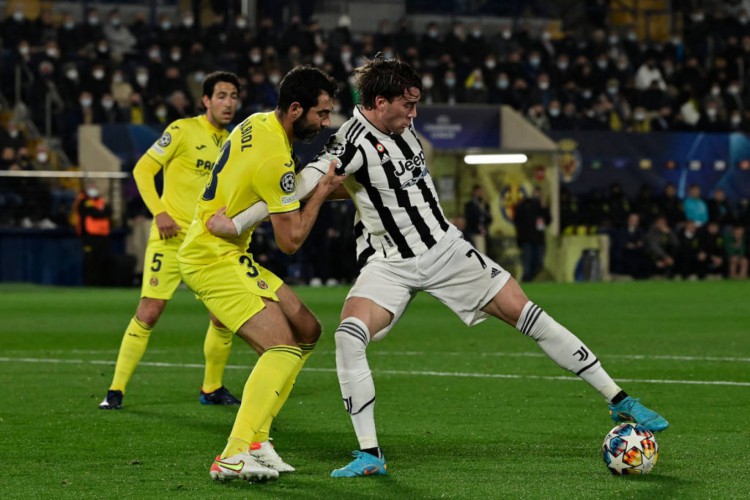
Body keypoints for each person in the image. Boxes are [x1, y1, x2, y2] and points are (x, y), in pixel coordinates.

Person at [208, 56, 670, 479]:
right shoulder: (349, 142)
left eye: (416, 105)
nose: (414, 114)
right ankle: (370, 453)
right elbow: (306, 183)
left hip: (448, 252)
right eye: (407, 105)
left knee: (530, 316)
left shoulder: (405, 129)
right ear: (379, 102)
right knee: (349, 337)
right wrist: (240, 220)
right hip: (389, 265)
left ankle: (619, 399)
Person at [177, 66, 345, 482]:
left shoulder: (256, 122)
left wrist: (236, 225)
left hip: (228, 248)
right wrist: (322, 193)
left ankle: (257, 440)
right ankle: (233, 454)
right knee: (282, 347)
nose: (325, 123)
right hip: (210, 257)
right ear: (294, 109)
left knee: (307, 329)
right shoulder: (275, 159)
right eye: (321, 114)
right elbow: (290, 241)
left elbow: (266, 187)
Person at [98, 72, 242, 411]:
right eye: (221, 95)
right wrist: (160, 212)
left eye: (234, 96)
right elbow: (142, 171)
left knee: (222, 316)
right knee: (149, 311)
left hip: (208, 244)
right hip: (171, 237)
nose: (229, 103)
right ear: (205, 100)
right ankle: (116, 390)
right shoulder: (181, 130)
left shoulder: (233, 143)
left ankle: (212, 387)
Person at [72, 182, 111, 286]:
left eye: (94, 187)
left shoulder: (101, 201)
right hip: (89, 236)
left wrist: (98, 212)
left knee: (101, 260)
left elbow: (108, 211)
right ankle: (88, 283)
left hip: (102, 235)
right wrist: (99, 212)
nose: (93, 190)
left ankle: (100, 283)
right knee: (90, 260)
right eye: (90, 187)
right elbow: (88, 211)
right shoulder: (83, 201)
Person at [513, 186, 551, 282]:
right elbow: (517, 219)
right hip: (527, 239)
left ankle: (531, 281)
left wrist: (544, 208)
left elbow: (548, 220)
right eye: (535, 192)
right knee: (527, 263)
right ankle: (526, 282)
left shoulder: (542, 206)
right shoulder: (525, 205)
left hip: (539, 239)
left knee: (538, 263)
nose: (536, 195)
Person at [463, 184, 493, 255]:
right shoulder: (470, 205)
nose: (481, 193)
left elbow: (489, 219)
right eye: (479, 191)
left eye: (482, 191)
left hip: (485, 233)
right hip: (475, 232)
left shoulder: (485, 205)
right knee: (480, 254)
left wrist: (483, 213)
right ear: (474, 192)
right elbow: (469, 219)